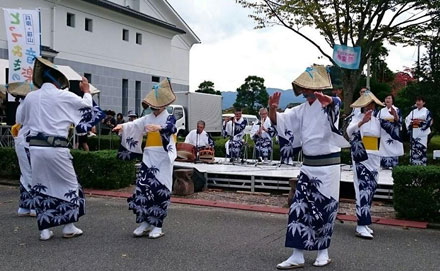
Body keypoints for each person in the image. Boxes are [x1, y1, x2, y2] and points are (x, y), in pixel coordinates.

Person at [272, 65, 350, 269]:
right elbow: (282, 122)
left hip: (328, 166)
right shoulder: (300, 110)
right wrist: (272, 110)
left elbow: (336, 105)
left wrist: (331, 101)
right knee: (298, 209)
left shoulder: (329, 104)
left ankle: (323, 252)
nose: (307, 95)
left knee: (324, 209)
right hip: (308, 166)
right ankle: (297, 254)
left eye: (309, 91)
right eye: (304, 92)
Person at [20, 57, 92, 241]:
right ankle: (68, 226)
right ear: (58, 81)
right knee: (69, 185)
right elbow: (86, 111)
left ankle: (45, 230)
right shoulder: (63, 95)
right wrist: (87, 92)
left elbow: (24, 123)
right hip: (56, 148)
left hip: (35, 148)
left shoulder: (30, 97)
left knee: (41, 185)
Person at [113, 78, 177, 239]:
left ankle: (157, 225)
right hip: (148, 158)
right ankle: (145, 222)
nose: (153, 110)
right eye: (152, 107)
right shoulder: (148, 118)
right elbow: (135, 125)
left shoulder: (169, 118)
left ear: (163, 105)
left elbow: (172, 128)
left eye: (156, 107)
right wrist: (123, 126)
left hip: (162, 159)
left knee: (159, 190)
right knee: (143, 188)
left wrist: (160, 127)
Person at [347, 90, 401, 239]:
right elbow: (349, 131)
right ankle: (360, 224)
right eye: (367, 104)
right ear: (363, 105)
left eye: (372, 103)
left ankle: (365, 223)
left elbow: (393, 131)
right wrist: (362, 122)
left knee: (371, 189)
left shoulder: (378, 119)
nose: (370, 106)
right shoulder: (357, 117)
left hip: (374, 158)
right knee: (362, 189)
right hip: (361, 159)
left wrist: (396, 120)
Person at [11, 94, 36, 217]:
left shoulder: (21, 105)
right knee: (32, 174)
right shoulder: (27, 105)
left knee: (25, 174)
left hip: (22, 140)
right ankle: (34, 206)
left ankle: (25, 205)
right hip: (27, 142)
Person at [405, 96, 433, 166]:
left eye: (420, 101)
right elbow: (407, 119)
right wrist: (411, 124)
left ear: (423, 102)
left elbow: (429, 121)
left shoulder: (426, 111)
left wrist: (420, 123)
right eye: (417, 101)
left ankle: (422, 165)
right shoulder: (413, 111)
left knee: (421, 148)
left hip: (422, 133)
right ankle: (413, 164)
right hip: (414, 132)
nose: (418, 102)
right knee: (413, 149)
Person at [378, 94, 404, 169]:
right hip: (384, 133)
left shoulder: (397, 109)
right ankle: (384, 164)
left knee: (393, 148)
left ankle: (393, 164)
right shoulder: (381, 111)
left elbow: (400, 122)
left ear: (392, 100)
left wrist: (395, 115)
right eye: (386, 98)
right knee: (384, 147)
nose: (387, 100)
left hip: (393, 134)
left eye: (389, 98)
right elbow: (377, 121)